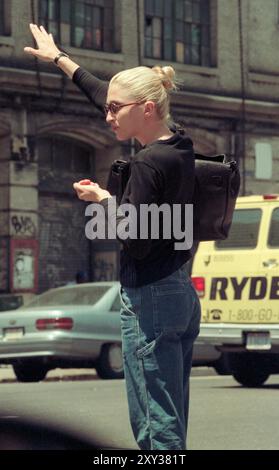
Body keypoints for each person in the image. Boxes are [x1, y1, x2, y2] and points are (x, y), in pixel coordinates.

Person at [25, 24, 201, 451]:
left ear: (144, 108)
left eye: (114, 109)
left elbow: (134, 236)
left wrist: (103, 200)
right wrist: (59, 58)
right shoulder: (180, 144)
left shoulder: (146, 165)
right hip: (178, 292)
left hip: (149, 300)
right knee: (171, 411)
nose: (106, 116)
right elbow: (104, 89)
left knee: (155, 424)